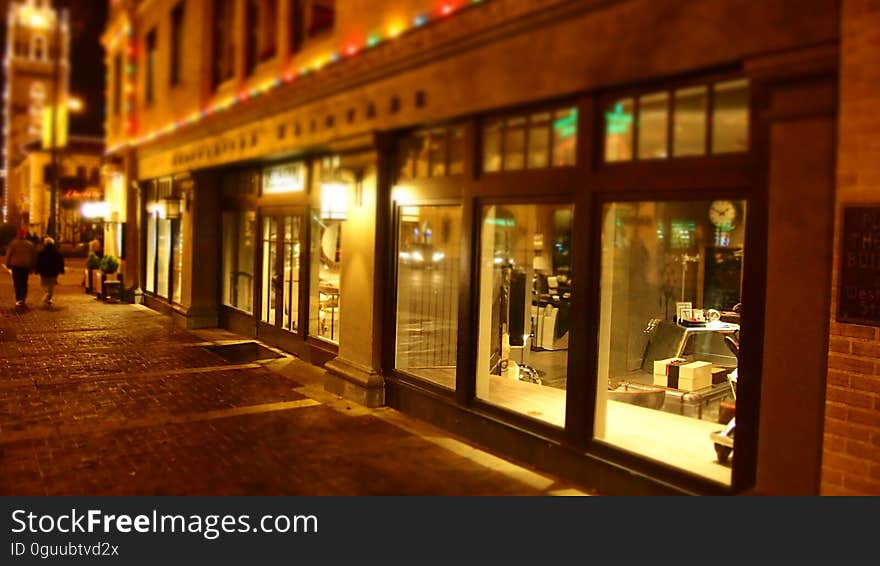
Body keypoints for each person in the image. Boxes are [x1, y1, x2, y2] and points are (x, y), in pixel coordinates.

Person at [4, 228, 35, 306]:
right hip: (25, 265)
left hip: (15, 266)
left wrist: (7, 263)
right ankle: (23, 298)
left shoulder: (13, 243)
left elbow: (9, 254)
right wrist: (32, 266)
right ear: (25, 235)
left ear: (18, 234)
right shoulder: (29, 244)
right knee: (24, 282)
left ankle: (18, 299)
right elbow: (33, 256)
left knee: (17, 283)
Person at [35, 237, 65, 306]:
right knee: (52, 285)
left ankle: (47, 295)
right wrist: (61, 270)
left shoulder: (41, 253)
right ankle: (49, 296)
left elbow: (38, 262)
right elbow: (60, 262)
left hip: (44, 271)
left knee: (44, 284)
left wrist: (37, 270)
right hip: (54, 271)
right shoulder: (57, 252)